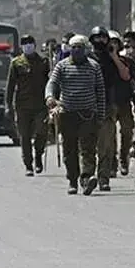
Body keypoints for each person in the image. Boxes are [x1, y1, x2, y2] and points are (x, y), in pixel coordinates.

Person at [45, 35, 106, 195]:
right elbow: (52, 83)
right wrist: (50, 97)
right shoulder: (62, 66)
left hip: (88, 114)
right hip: (67, 114)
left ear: (85, 49)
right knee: (70, 148)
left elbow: (100, 92)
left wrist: (101, 116)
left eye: (80, 47)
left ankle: (87, 178)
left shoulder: (94, 67)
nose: (77, 50)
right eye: (74, 47)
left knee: (88, 149)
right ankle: (73, 180)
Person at [88, 26, 133, 191]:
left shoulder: (113, 60)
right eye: (97, 38)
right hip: (88, 106)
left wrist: (114, 56)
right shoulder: (87, 58)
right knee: (87, 144)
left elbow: (125, 75)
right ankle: (87, 175)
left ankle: (104, 178)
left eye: (103, 38)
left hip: (108, 105)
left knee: (106, 145)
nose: (100, 41)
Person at [5, 34, 50, 176]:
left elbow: (51, 82)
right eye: (25, 43)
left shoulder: (44, 61)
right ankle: (28, 165)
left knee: (42, 132)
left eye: (30, 43)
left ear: (34, 45)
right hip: (22, 106)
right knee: (24, 136)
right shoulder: (16, 63)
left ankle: (38, 156)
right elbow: (10, 86)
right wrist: (8, 105)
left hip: (41, 105)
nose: (28, 45)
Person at [108, 30, 135, 176]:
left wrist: (115, 58)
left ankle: (123, 159)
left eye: (115, 43)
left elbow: (128, 78)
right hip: (108, 102)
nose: (112, 46)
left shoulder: (127, 61)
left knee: (127, 131)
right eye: (110, 43)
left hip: (124, 102)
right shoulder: (100, 62)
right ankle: (112, 163)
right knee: (109, 134)